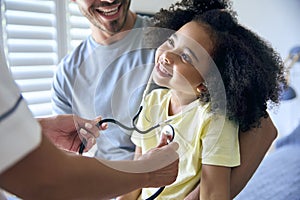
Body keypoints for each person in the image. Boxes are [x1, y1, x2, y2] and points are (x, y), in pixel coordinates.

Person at [51, 0, 279, 198]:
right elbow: (61, 163)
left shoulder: (175, 31)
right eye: (171, 43)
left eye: (185, 56)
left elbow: (263, 129)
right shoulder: (66, 73)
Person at [0, 11, 179, 199]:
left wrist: (41, 128)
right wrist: (147, 171)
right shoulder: (67, 73)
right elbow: (51, 179)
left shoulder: (172, 41)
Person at [117, 5, 285, 200]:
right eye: (171, 42)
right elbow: (137, 171)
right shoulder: (152, 101)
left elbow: (214, 193)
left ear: (207, 83)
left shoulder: (213, 120)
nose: (167, 56)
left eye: (186, 57)